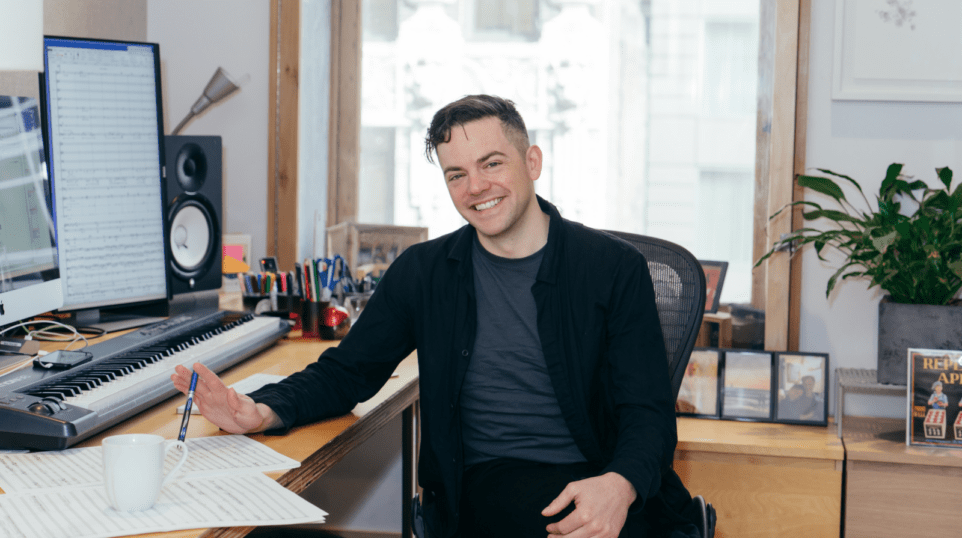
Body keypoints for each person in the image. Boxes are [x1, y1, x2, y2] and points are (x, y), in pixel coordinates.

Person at [172, 95, 698, 538]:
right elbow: (349, 371)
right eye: (456, 174)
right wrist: (262, 411)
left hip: (601, 474)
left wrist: (621, 484)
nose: (476, 188)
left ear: (532, 162)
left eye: (492, 163)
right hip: (490, 485)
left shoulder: (611, 269)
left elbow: (647, 411)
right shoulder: (425, 273)